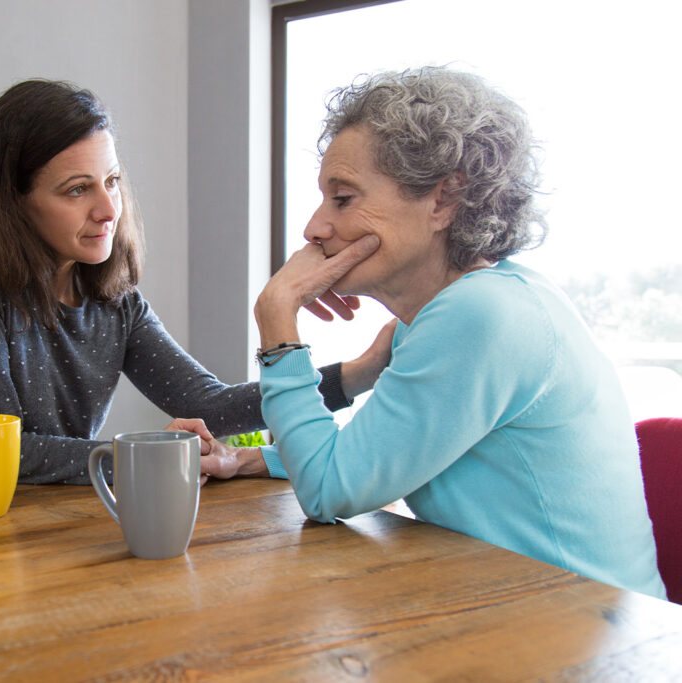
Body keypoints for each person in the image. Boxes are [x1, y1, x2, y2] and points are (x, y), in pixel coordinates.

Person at [198, 67, 666, 598]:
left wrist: (277, 316)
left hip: (587, 635)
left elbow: (329, 489)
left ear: (443, 200)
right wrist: (248, 458)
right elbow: (378, 453)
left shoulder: (482, 315)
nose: (314, 228)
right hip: (520, 612)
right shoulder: (477, 305)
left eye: (343, 198)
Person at [0, 79, 353, 485]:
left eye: (111, 181)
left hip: (57, 523)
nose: (109, 209)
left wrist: (365, 371)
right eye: (77, 189)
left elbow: (208, 404)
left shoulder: (114, 300)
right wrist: (146, 454)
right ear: (11, 202)